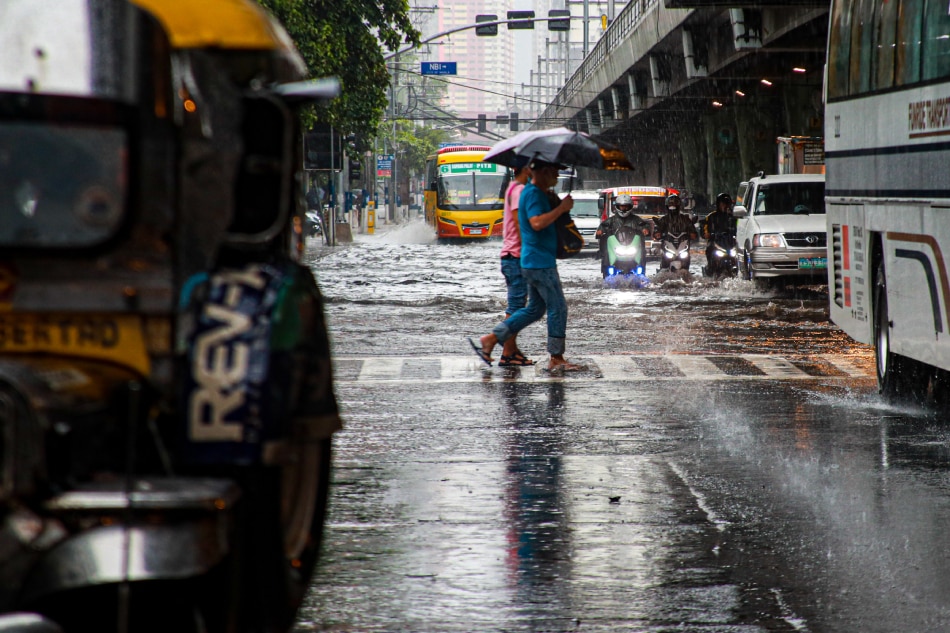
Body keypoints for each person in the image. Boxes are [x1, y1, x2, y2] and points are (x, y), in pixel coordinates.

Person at [469, 158, 580, 373]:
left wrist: (558, 203)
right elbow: (536, 223)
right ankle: (556, 357)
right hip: (539, 261)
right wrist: (561, 209)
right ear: (544, 171)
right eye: (555, 171)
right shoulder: (533, 193)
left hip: (533, 259)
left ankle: (492, 339)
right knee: (558, 307)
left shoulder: (535, 193)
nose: (557, 176)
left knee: (534, 309)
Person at [496, 158, 534, 366]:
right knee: (517, 308)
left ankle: (511, 352)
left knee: (517, 306)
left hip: (512, 255)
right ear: (526, 169)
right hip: (516, 256)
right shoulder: (518, 191)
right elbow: (521, 226)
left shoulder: (513, 188)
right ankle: (501, 347)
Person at [596, 193, 651, 274]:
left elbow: (643, 225)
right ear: (617, 207)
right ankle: (606, 270)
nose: (624, 208)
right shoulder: (611, 220)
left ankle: (641, 270)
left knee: (642, 253)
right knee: (605, 252)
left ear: (630, 207)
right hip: (616, 246)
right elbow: (603, 226)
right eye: (622, 206)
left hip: (632, 246)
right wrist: (600, 231)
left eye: (626, 206)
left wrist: (645, 229)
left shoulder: (636, 219)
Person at [701, 193, 736, 272]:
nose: (725, 206)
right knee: (710, 248)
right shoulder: (711, 216)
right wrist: (707, 234)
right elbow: (704, 229)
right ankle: (710, 267)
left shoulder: (733, 217)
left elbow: (740, 228)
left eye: (727, 204)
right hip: (715, 241)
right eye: (723, 203)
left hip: (730, 242)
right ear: (718, 204)